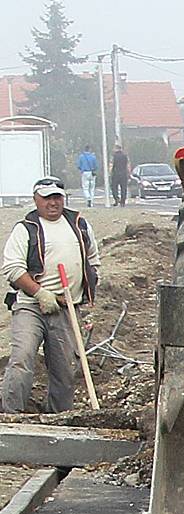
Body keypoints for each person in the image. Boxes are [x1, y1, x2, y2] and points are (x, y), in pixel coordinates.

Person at [2, 178, 100, 415]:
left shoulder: (79, 225)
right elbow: (13, 269)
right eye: (47, 198)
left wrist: (87, 285)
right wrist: (41, 293)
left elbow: (93, 260)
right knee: (23, 358)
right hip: (31, 307)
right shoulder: (26, 228)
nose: (53, 203)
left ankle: (59, 417)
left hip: (67, 308)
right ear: (36, 199)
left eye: (57, 197)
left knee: (65, 369)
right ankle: (9, 415)